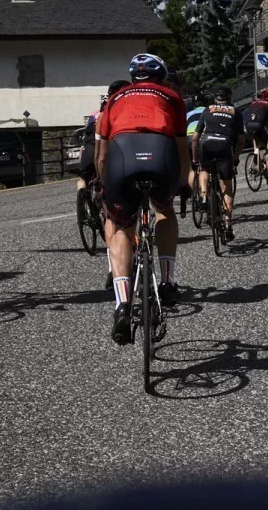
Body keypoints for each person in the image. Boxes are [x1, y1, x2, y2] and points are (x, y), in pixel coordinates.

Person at [98, 53, 191, 345]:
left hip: (122, 157)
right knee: (165, 212)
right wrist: (182, 183)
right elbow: (181, 148)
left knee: (123, 228)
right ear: (160, 76)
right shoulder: (171, 96)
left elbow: (101, 155)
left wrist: (106, 187)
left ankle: (123, 305)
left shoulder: (113, 99)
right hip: (160, 154)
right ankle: (167, 281)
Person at [193, 86, 245, 241]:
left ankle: (203, 195)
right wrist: (235, 157)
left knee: (204, 169)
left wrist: (195, 159)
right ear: (229, 99)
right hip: (224, 145)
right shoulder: (236, 112)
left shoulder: (207, 109)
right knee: (227, 190)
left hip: (206, 143)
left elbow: (196, 137)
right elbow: (241, 140)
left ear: (215, 100)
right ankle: (228, 225)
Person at [77, 80, 130, 197]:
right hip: (106, 145)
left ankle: (81, 193)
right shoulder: (115, 113)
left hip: (89, 144)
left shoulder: (94, 115)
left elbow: (87, 134)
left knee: (83, 178)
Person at [243, 88, 268, 178]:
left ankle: (257, 163)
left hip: (248, 126)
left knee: (256, 147)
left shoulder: (252, 104)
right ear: (267, 98)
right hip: (259, 126)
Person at [184, 94, 208, 209]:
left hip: (189, 138)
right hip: (203, 137)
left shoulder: (188, 114)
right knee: (205, 167)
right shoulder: (208, 110)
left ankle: (196, 194)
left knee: (192, 168)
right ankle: (206, 192)